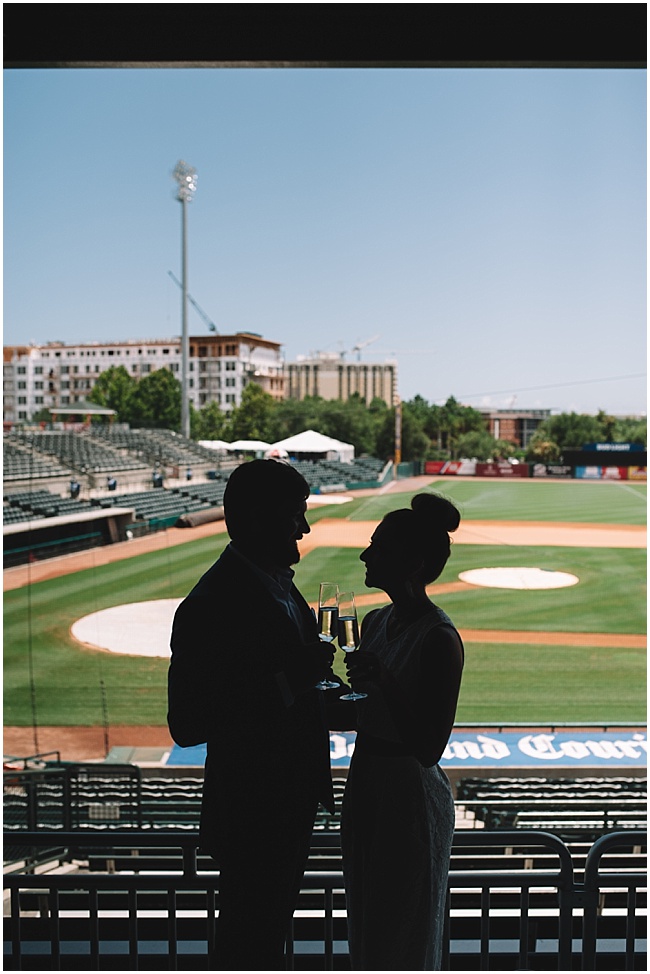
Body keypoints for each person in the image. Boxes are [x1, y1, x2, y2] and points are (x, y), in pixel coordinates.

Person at [167, 459, 336, 970]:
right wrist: (291, 681)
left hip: (288, 803)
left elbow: (298, 685)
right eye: (296, 515)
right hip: (251, 812)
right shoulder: (210, 602)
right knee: (247, 947)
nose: (304, 529)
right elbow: (188, 724)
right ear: (259, 517)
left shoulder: (279, 584)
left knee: (264, 941)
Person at [341, 492, 464, 971]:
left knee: (404, 933)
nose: (366, 555)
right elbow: (359, 712)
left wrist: (384, 680)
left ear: (412, 563)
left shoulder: (439, 638)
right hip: (366, 781)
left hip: (409, 795)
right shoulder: (374, 621)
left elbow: (429, 747)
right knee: (368, 925)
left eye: (379, 547)